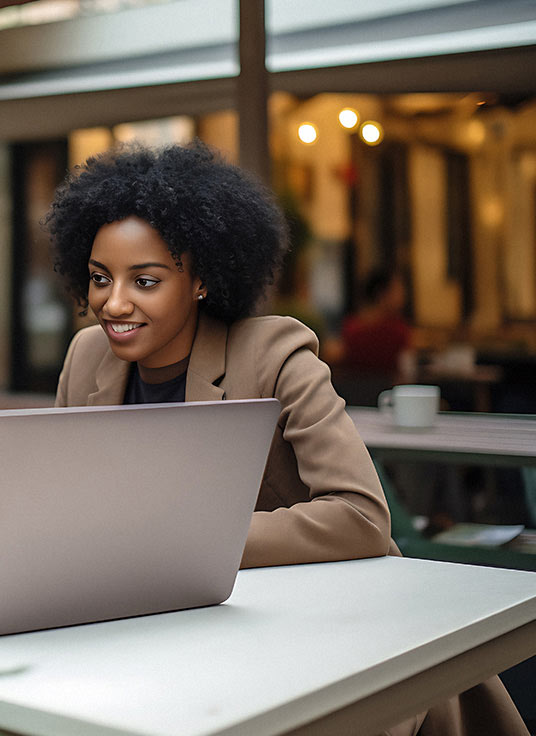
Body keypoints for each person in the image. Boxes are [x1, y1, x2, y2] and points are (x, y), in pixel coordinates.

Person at [46, 141, 526, 735]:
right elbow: (68, 503)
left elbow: (361, 516)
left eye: (145, 281)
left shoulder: (273, 354)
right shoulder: (87, 355)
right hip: (160, 626)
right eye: (99, 278)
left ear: (200, 280)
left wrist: (180, 541)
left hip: (318, 635)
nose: (112, 303)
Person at [340, 267, 415, 382]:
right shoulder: (397, 330)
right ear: (381, 294)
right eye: (398, 290)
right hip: (389, 392)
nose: (403, 296)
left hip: (354, 394)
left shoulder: (350, 326)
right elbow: (406, 370)